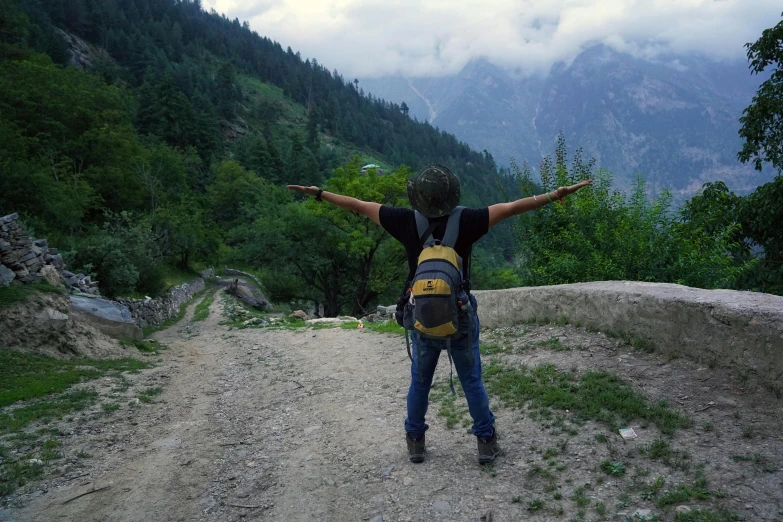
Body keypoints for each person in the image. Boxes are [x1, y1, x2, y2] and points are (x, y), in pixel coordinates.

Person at [288, 165, 592, 464]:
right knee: (471, 380)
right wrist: (556, 194)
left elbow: (357, 205)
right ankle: (486, 443)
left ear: (418, 197)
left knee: (420, 382)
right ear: (451, 195)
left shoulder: (404, 220)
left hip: (421, 316)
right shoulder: (470, 219)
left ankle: (415, 443)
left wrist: (319, 193)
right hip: (459, 314)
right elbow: (513, 208)